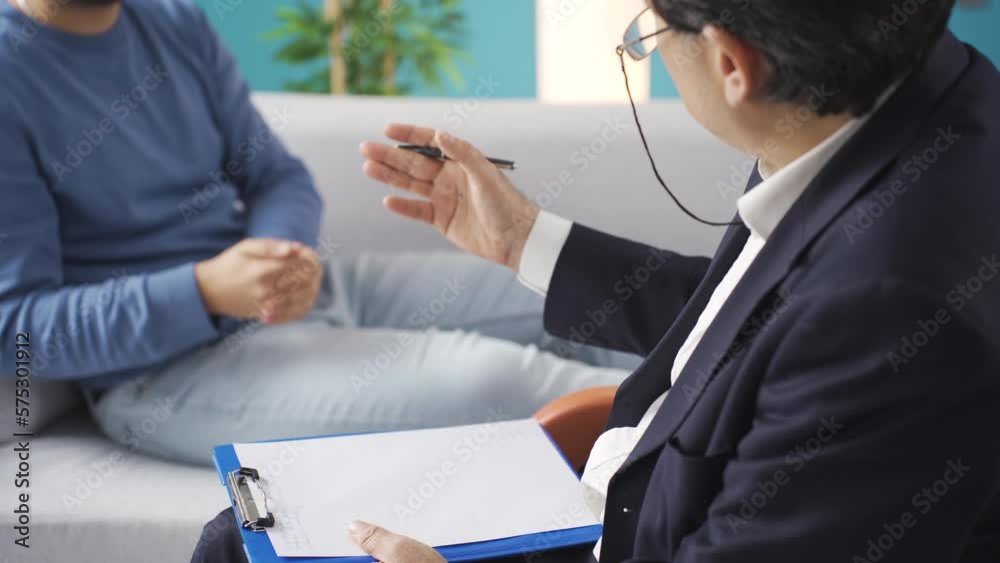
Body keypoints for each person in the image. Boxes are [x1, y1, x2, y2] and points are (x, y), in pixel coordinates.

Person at [190, 0, 1000, 561]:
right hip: (635, 502)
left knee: (251, 545)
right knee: (252, 536)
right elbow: (767, 324)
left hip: (655, 531)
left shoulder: (892, 306)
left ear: (730, 63)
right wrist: (525, 241)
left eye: (646, 31)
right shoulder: (926, 93)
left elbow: (827, 328)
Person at [0, 0, 639, 466]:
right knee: (507, 385)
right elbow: (19, 331)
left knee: (566, 295)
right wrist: (204, 291)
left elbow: (278, 176)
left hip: (309, 287)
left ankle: (732, 391)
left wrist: (282, 255)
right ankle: (722, 452)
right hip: (169, 372)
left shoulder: (172, 21)